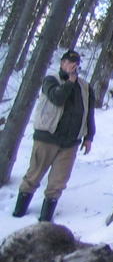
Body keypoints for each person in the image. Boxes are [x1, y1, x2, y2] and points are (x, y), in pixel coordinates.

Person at [12, 49, 96, 222]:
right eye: (69, 62)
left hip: (70, 142)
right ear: (62, 63)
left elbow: (89, 113)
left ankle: (45, 219)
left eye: (76, 63)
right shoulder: (51, 80)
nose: (73, 65)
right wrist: (70, 82)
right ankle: (18, 213)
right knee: (33, 175)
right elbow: (57, 99)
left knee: (59, 181)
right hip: (47, 137)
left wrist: (89, 137)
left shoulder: (85, 87)